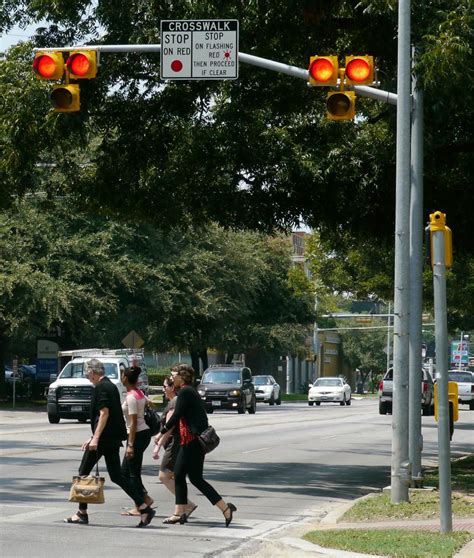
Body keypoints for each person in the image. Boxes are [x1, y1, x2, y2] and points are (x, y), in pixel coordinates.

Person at [64, 358, 155, 528]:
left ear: (91, 372)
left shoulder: (101, 387)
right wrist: (93, 436)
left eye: (86, 372)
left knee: (83, 472)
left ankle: (82, 513)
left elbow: (104, 413)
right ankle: (144, 508)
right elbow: (107, 415)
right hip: (111, 438)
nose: (86, 375)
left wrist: (96, 438)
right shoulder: (111, 386)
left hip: (104, 440)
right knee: (117, 476)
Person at [154, 363, 236, 526]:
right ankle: (225, 508)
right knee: (194, 478)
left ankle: (179, 513)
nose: (171, 377)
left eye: (173, 374)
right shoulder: (187, 391)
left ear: (182, 376)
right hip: (192, 441)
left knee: (180, 474)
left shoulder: (185, 391)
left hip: (192, 441)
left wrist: (161, 433)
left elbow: (176, 415)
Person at [152, 376, 197, 517]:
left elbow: (170, 428)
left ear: (172, 388)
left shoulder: (174, 403)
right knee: (178, 477)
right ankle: (182, 508)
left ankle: (187, 505)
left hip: (174, 444)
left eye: (165, 387)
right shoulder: (174, 401)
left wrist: (157, 446)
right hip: (176, 443)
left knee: (164, 476)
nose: (163, 390)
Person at [120, 366, 154, 517]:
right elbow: (151, 404)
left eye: (122, 375)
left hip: (137, 435)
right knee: (130, 472)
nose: (121, 378)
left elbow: (133, 423)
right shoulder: (139, 393)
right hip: (143, 433)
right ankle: (144, 499)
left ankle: (139, 504)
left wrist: (130, 445)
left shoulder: (132, 397)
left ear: (125, 379)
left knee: (129, 473)